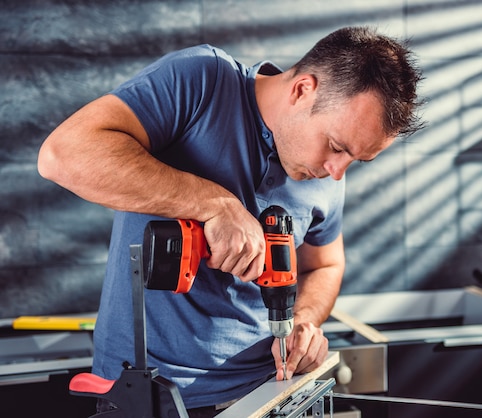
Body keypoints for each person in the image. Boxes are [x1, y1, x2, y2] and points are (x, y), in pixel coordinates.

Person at [38, 26, 424, 417]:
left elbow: (325, 263)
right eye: (337, 147)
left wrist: (303, 321)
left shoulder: (326, 173)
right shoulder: (202, 80)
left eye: (356, 160)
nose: (337, 172)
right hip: (150, 393)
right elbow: (63, 155)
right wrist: (214, 204)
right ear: (302, 90)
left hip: (269, 393)